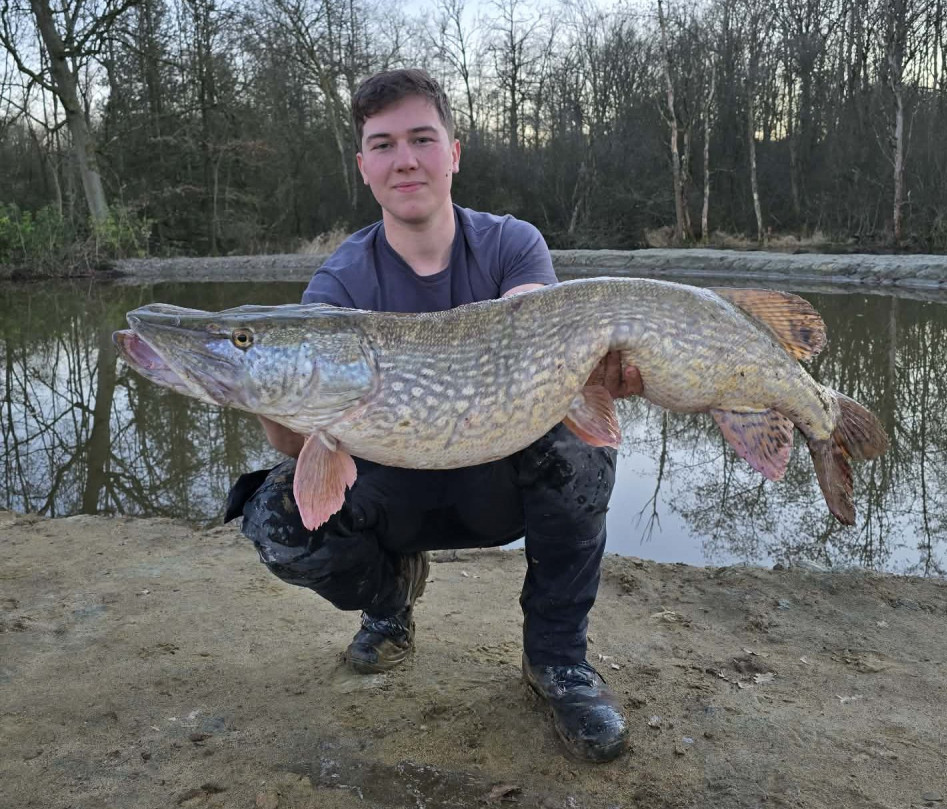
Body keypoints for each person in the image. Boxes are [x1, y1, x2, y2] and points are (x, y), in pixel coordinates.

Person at [224, 68, 643, 763]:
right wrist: (268, 399)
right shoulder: (336, 283)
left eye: (422, 138)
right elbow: (307, 445)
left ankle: (557, 661)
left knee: (581, 445)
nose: (406, 158)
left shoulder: (513, 245)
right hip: (396, 494)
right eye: (384, 144)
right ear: (364, 166)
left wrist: (594, 368)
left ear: (455, 150)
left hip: (496, 481)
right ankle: (390, 603)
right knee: (275, 515)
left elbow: (546, 344)